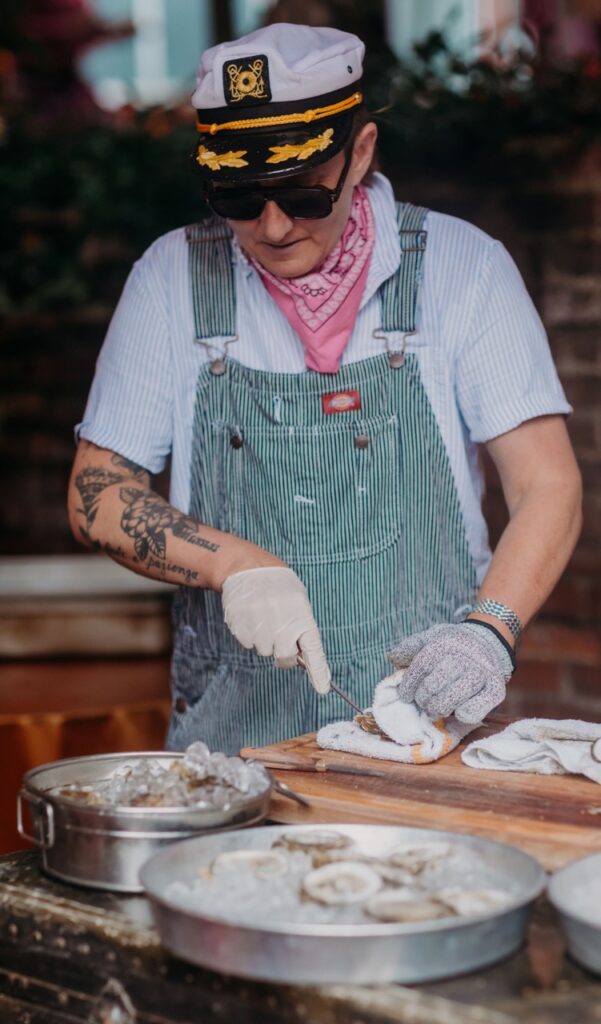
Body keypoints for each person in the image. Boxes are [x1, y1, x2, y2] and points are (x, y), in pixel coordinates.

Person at [68, 22, 582, 755]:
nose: (272, 227)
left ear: (360, 152)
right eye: (240, 200)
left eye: (304, 195)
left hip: (424, 736)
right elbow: (97, 495)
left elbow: (547, 485)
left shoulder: (461, 268)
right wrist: (237, 565)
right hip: (230, 751)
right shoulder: (169, 280)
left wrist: (488, 629)